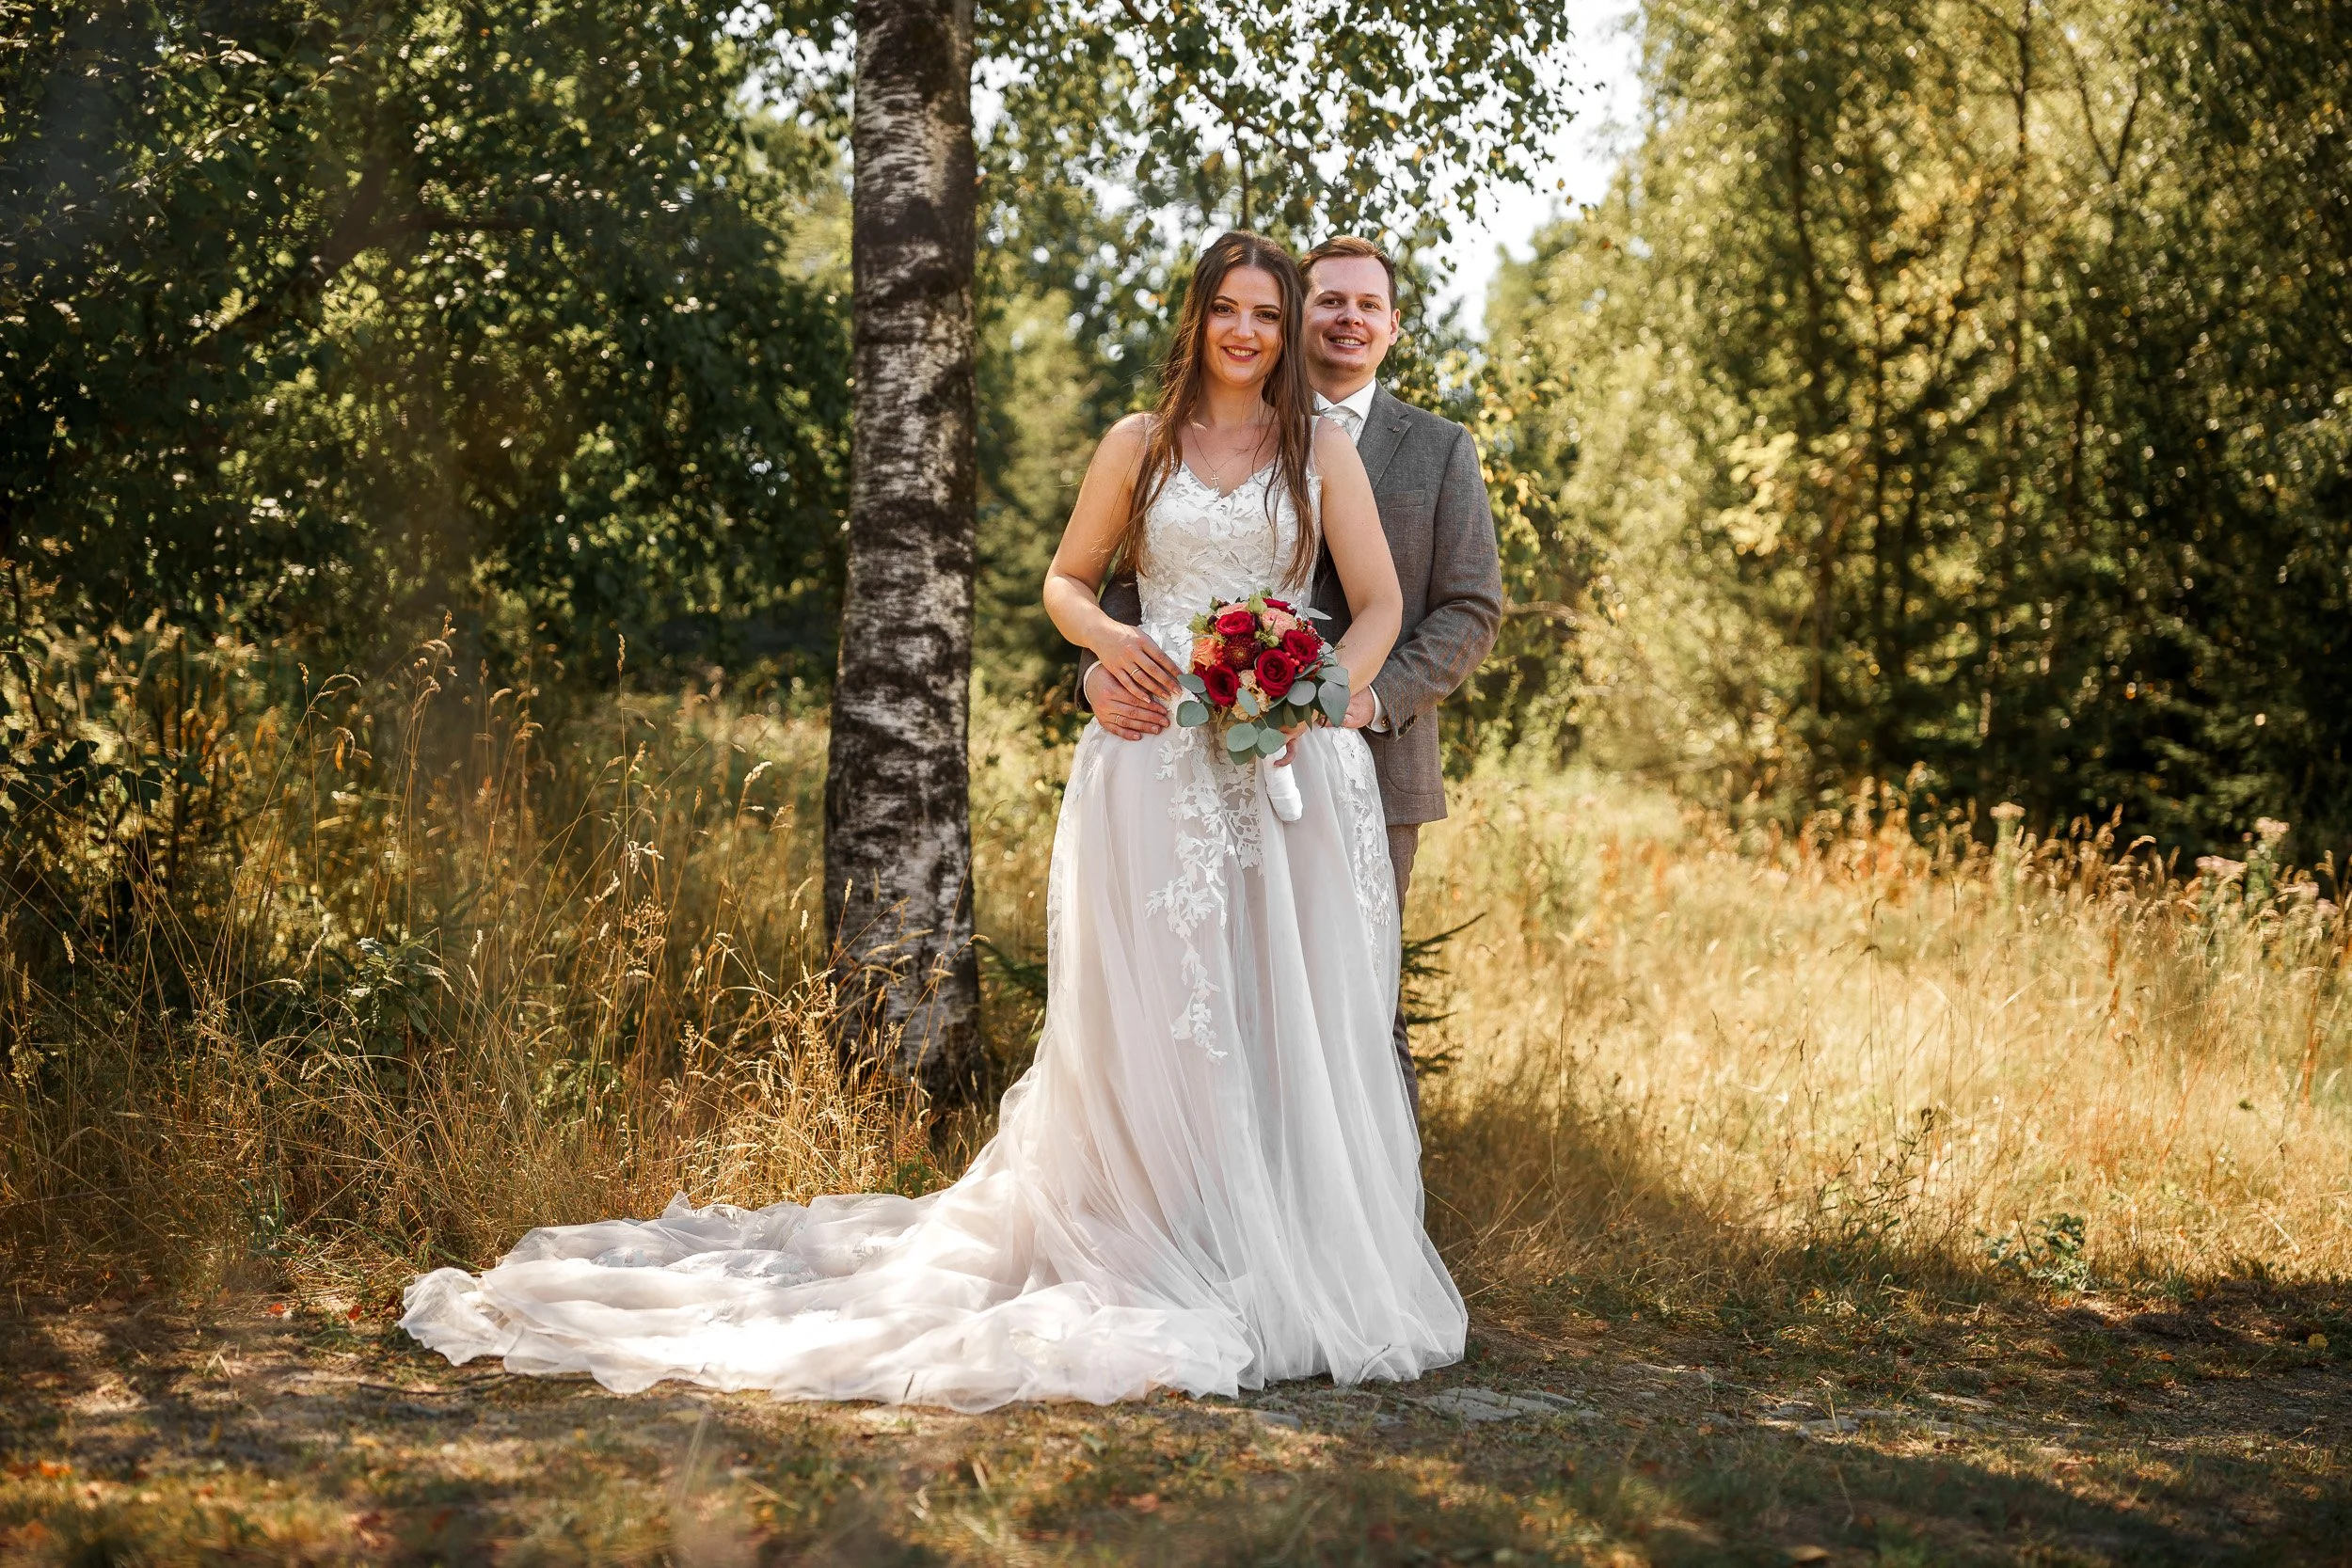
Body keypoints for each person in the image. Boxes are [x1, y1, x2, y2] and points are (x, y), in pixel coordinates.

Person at [397, 231, 1468, 1411]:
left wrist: (1316, 691)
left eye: (1269, 313)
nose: (1250, 332)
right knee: (1168, 1014)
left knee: (1280, 1013)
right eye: (1231, 308)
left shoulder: (1319, 450)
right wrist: (1111, 639)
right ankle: (1173, 1237)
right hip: (1155, 765)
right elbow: (1067, 580)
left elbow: (1374, 605)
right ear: (1198, 316)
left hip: (1282, 783)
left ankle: (1290, 1255)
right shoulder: (1139, 444)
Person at [1079, 236, 1502, 1117]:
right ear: (1300, 321)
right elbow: (1128, 586)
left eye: (1367, 305)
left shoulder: (1436, 449)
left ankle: (1364, 1230)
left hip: (1359, 759)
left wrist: (1345, 700)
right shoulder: (1166, 441)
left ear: (1392, 326)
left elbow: (1466, 609)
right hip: (1178, 752)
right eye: (1325, 302)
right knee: (1198, 989)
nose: (1346, 317)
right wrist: (1100, 671)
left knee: (1354, 1011)